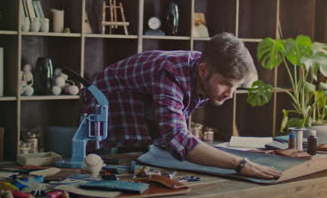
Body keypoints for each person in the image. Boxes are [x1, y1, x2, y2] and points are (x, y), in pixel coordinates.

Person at [82, 32, 282, 179]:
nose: (230, 94)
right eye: (225, 84)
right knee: (101, 173)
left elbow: (176, 132)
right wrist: (239, 163)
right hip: (106, 104)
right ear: (203, 70)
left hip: (140, 113)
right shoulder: (170, 73)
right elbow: (178, 138)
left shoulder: (204, 70)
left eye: (235, 87)